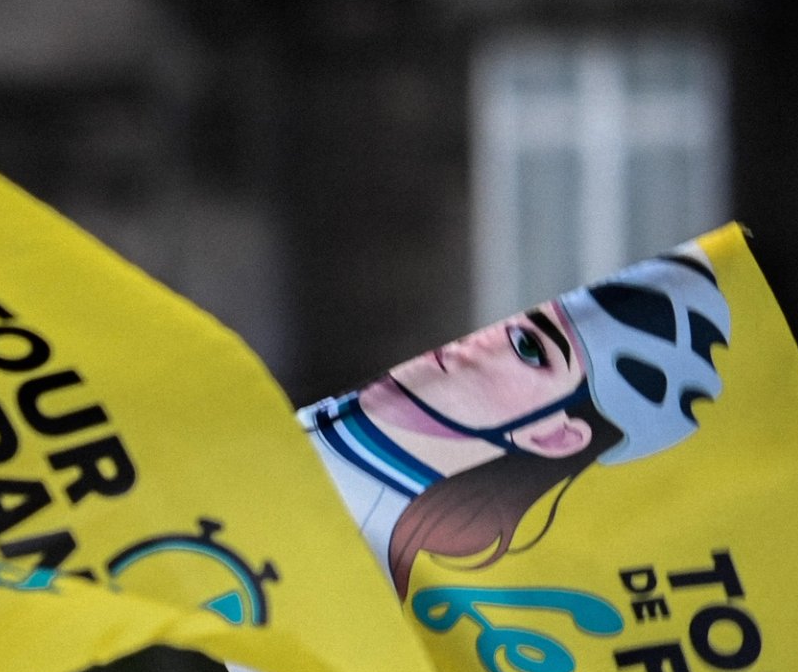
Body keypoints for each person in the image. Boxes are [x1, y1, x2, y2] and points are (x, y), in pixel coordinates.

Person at [301, 248, 732, 591]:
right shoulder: (334, 471)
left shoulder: (394, 557)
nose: (483, 340)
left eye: (528, 345)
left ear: (556, 436)